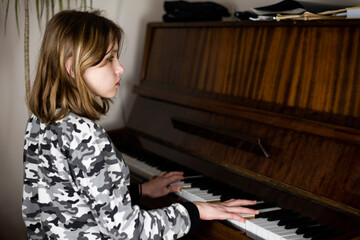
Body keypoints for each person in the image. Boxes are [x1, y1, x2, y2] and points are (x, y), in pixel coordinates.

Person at [22, 10, 259, 240]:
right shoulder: (85, 134)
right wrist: (197, 210)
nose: (120, 68)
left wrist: (139, 191)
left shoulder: (41, 120)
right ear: (72, 68)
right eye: (109, 59)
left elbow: (71, 202)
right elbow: (127, 230)